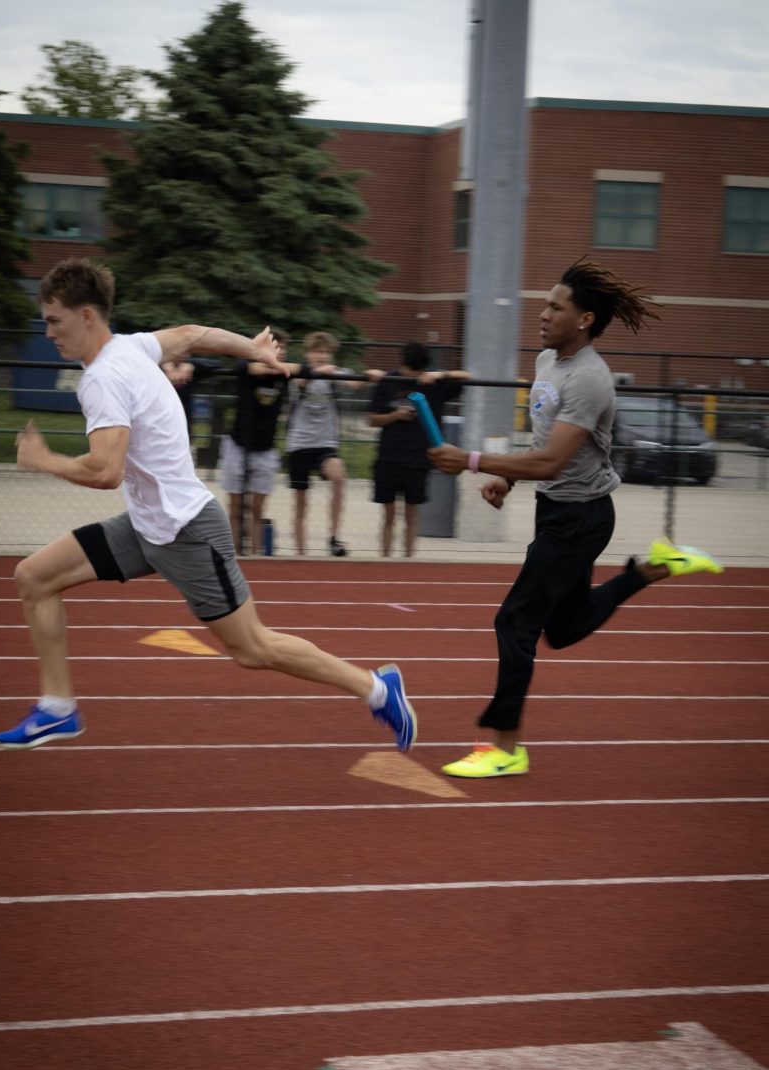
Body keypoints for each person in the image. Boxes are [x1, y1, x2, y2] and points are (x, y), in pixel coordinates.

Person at [0, 257, 416, 753]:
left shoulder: (103, 378)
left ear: (87, 317)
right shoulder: (132, 346)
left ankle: (379, 689)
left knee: (253, 648)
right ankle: (58, 709)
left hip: (186, 531)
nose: (48, 331)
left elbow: (106, 471)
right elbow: (191, 334)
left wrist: (45, 460)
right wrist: (249, 346)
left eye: (55, 320)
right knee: (34, 577)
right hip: (149, 528)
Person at [428, 257, 723, 779]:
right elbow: (543, 443)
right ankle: (654, 568)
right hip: (556, 511)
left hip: (581, 518)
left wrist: (472, 461)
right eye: (545, 304)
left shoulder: (591, 379)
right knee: (562, 630)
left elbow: (553, 461)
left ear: (584, 319)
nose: (542, 314)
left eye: (554, 307)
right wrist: (510, 477)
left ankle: (505, 747)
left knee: (514, 622)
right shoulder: (547, 362)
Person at [367, 341, 470, 556]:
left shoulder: (433, 383)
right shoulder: (389, 381)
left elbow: (467, 376)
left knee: (411, 514)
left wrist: (439, 375)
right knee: (389, 513)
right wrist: (395, 415)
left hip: (418, 459)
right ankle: (384, 558)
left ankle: (408, 558)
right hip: (389, 457)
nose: (412, 374)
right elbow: (372, 419)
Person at [285, 331, 382, 557]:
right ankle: (300, 552)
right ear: (308, 353)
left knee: (338, 476)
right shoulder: (298, 372)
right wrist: (318, 372)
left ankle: (333, 537)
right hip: (299, 443)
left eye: (326, 352)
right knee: (301, 501)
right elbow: (300, 381)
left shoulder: (333, 374)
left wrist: (369, 375)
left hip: (325, 442)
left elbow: (353, 382)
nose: (322, 356)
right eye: (318, 352)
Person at [217, 329, 309, 555]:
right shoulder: (247, 368)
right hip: (238, 444)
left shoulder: (283, 375)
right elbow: (241, 367)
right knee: (236, 506)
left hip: (265, 449)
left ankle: (257, 556)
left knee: (258, 509)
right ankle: (234, 553)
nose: (280, 352)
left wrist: (280, 367)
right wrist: (267, 363)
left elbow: (307, 370)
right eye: (275, 347)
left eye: (283, 349)